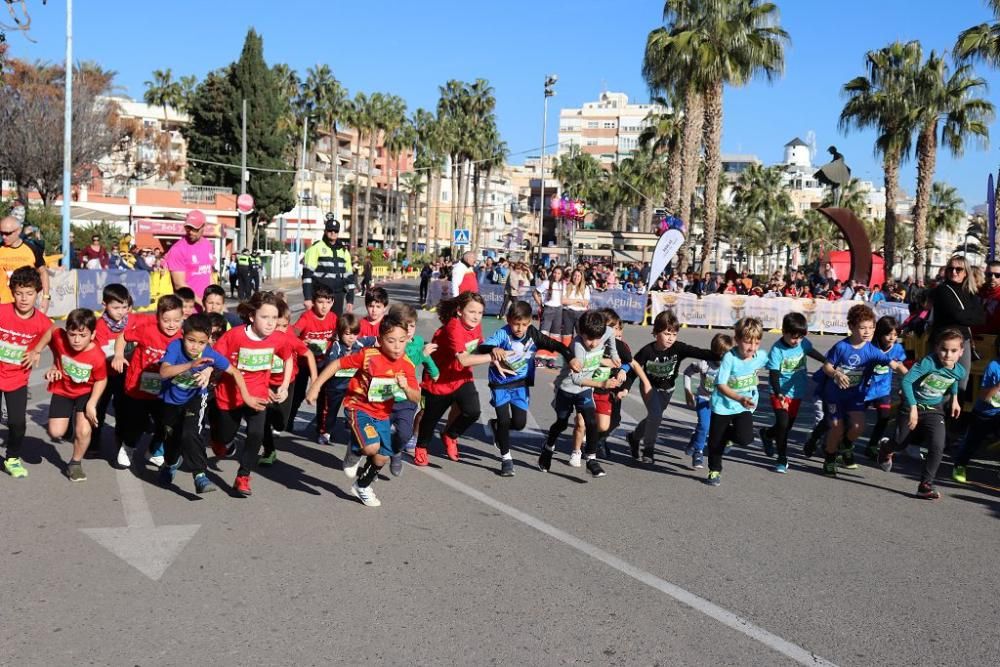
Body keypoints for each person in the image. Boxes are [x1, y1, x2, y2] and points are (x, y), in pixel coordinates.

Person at [305, 313, 420, 507]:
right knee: (370, 447)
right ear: (380, 340)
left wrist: (405, 388)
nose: (397, 346)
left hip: (382, 413)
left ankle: (362, 486)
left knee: (383, 455)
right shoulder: (369, 356)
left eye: (402, 341)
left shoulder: (406, 365)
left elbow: (416, 397)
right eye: (391, 341)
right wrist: (315, 386)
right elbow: (337, 364)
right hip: (358, 407)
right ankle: (355, 450)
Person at [157, 313, 263, 493]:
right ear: (183, 335)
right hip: (170, 401)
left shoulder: (210, 354)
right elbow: (164, 372)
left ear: (208, 341)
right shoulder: (175, 347)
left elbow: (235, 372)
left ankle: (200, 475)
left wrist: (246, 397)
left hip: (196, 399)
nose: (195, 346)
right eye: (191, 340)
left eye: (201, 342)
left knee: (191, 434)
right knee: (171, 440)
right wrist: (191, 365)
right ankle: (170, 463)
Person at [210, 291, 296, 497]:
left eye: (274, 318)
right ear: (252, 317)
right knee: (224, 438)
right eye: (264, 317)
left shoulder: (278, 338)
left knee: (256, 433)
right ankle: (220, 442)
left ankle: (243, 476)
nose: (270, 323)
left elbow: (288, 358)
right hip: (229, 395)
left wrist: (284, 386)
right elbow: (214, 358)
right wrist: (208, 373)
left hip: (258, 394)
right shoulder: (235, 335)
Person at [480, 301, 574, 476]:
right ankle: (506, 459)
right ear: (508, 320)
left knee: (519, 423)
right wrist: (494, 348)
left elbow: (556, 345)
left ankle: (495, 427)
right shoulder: (503, 334)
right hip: (500, 383)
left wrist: (571, 357)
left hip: (520, 385)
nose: (519, 328)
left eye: (524, 324)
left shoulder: (533, 335)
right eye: (516, 323)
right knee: (504, 420)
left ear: (530, 322)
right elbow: (482, 347)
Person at [818, 304, 905, 476]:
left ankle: (845, 445)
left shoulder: (872, 350)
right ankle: (829, 458)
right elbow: (826, 367)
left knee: (858, 427)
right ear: (851, 327)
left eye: (871, 328)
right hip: (835, 395)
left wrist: (912, 379)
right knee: (836, 427)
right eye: (862, 328)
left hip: (855, 396)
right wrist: (836, 374)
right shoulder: (841, 347)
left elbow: (895, 365)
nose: (867, 332)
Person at [878, 328, 966, 499]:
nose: (948, 355)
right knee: (901, 443)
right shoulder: (928, 363)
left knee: (937, 445)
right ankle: (886, 448)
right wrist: (912, 408)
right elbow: (907, 381)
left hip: (934, 410)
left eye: (953, 351)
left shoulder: (960, 370)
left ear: (961, 352)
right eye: (944, 349)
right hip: (912, 406)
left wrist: (955, 399)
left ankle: (925, 485)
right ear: (936, 348)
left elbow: (954, 379)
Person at [624, 311, 717, 464]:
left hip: (668, 390)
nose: (671, 338)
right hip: (649, 387)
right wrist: (626, 387)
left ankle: (633, 437)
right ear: (656, 332)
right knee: (656, 416)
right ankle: (648, 450)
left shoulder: (678, 348)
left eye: (674, 334)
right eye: (667, 333)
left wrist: (721, 355)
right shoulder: (647, 351)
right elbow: (634, 370)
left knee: (653, 418)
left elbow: (698, 352)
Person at [540, 310, 624, 478]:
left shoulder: (605, 331)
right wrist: (602, 383)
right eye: (589, 339)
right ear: (580, 333)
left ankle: (591, 460)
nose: (593, 344)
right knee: (561, 423)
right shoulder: (577, 346)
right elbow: (577, 379)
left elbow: (611, 335)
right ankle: (548, 448)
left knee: (591, 421)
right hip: (567, 388)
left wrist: (613, 354)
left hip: (584, 390)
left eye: (596, 339)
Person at [411, 292, 492, 467]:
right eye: (472, 312)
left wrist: (498, 357)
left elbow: (479, 347)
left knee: (472, 411)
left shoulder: (475, 326)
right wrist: (493, 357)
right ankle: (421, 447)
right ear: (460, 311)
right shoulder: (453, 328)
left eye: (480, 313)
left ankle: (450, 434)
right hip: (438, 379)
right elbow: (464, 359)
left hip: (461, 377)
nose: (476, 317)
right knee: (430, 418)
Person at [34, 309, 108, 482]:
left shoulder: (97, 356)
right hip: (62, 390)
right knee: (55, 432)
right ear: (66, 331)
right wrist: (38, 351)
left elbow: (101, 380)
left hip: (85, 393)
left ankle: (75, 464)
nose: (76, 340)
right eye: (72, 334)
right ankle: (68, 426)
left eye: (82, 335)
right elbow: (51, 331)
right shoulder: (60, 337)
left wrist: (92, 403)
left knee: (83, 430)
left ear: (92, 334)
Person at [111, 294, 185, 469]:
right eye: (166, 320)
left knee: (166, 423)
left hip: (164, 389)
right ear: (158, 317)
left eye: (176, 320)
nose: (171, 325)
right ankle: (128, 447)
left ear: (183, 318)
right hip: (139, 386)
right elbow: (123, 337)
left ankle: (153, 451)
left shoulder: (183, 337)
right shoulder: (148, 330)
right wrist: (119, 355)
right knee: (137, 423)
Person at [758, 313, 828, 473]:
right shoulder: (777, 350)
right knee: (782, 423)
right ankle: (782, 459)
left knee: (785, 428)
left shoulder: (803, 344)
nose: (797, 341)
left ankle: (767, 434)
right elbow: (773, 374)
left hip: (797, 391)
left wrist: (827, 361)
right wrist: (778, 392)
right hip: (779, 392)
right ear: (784, 332)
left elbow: (812, 352)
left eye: (800, 337)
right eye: (793, 337)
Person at [0, 267, 53, 478]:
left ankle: (12, 457)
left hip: (17, 379)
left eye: (29, 293)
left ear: (37, 293)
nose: (24, 298)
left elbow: (53, 336)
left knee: (17, 423)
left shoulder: (42, 322)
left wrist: (38, 350)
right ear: (12, 292)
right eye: (19, 293)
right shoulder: (2, 311)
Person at [705, 317, 768, 487]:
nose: (752, 348)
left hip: (745, 405)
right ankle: (714, 470)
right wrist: (739, 398)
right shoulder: (729, 358)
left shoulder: (761, 356)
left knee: (745, 438)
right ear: (738, 339)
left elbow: (773, 365)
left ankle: (727, 436)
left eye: (756, 343)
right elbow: (720, 384)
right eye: (748, 343)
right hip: (723, 405)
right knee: (715, 442)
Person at [260, 302, 315, 466]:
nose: (280, 330)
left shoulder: (289, 337)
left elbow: (309, 355)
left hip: (287, 382)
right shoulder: (261, 337)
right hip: (265, 384)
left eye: (284, 326)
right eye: (277, 326)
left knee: (281, 423)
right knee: (263, 420)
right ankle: (269, 450)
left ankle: (275, 424)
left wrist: (315, 383)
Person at [286, 285, 337, 440]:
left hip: (323, 363)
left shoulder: (333, 318)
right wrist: (302, 340)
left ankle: (322, 430)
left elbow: (340, 334)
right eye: (320, 302)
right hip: (304, 362)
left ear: (332, 302)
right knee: (298, 394)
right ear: (314, 303)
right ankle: (287, 421)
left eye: (327, 302)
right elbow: (292, 334)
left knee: (323, 395)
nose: (324, 306)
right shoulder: (306, 317)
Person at [952, 336, 1000, 484]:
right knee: (972, 442)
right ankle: (960, 465)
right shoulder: (994, 366)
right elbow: (985, 396)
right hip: (984, 413)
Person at [683, 334, 733, 469]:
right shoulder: (704, 364)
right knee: (704, 425)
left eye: (726, 355)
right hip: (703, 399)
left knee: (713, 428)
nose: (722, 358)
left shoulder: (730, 365)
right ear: (713, 352)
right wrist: (688, 391)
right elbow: (687, 373)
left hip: (720, 403)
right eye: (719, 354)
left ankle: (694, 440)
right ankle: (698, 452)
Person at [93, 284, 132, 457]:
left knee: (123, 410)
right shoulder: (99, 326)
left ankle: (121, 441)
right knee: (99, 409)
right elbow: (99, 353)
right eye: (115, 307)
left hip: (124, 375)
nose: (121, 312)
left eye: (124, 307)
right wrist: (116, 355)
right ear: (104, 305)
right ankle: (93, 442)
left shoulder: (131, 323)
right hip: (103, 376)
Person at [861, 316, 907, 460]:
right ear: (880, 333)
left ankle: (872, 446)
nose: (892, 338)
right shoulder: (869, 347)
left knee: (884, 417)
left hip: (882, 389)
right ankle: (844, 444)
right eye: (888, 334)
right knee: (854, 420)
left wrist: (905, 384)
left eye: (895, 334)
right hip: (864, 390)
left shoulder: (898, 348)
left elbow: (900, 367)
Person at [302, 215, 356, 316]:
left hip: (338, 296)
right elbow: (307, 276)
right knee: (318, 326)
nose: (333, 233)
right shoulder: (316, 248)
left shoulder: (344, 251)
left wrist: (350, 299)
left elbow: (349, 277)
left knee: (336, 326)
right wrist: (308, 298)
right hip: (320, 296)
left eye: (335, 231)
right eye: (330, 230)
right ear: (326, 231)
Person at [163, 210, 217, 307]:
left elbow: (208, 275)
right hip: (187, 311)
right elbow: (179, 284)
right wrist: (201, 303)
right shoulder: (178, 249)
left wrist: (216, 300)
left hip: (206, 309)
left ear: (203, 227)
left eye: (195, 229)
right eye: (188, 228)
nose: (191, 232)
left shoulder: (208, 245)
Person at [0, 215, 50, 314]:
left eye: (7, 233)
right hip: (3, 304)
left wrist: (46, 297)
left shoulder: (32, 248)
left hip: (25, 306)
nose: (3, 237)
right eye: (1, 233)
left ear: (19, 230)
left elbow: (43, 272)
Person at [561, 268, 591, 347]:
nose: (576, 277)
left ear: (581, 277)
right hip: (567, 313)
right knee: (566, 336)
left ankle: (580, 352)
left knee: (581, 335)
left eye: (578, 276)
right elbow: (563, 301)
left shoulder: (585, 288)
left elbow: (585, 303)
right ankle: (566, 353)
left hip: (581, 314)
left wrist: (570, 301)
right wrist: (578, 300)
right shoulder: (567, 286)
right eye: (575, 275)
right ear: (572, 276)